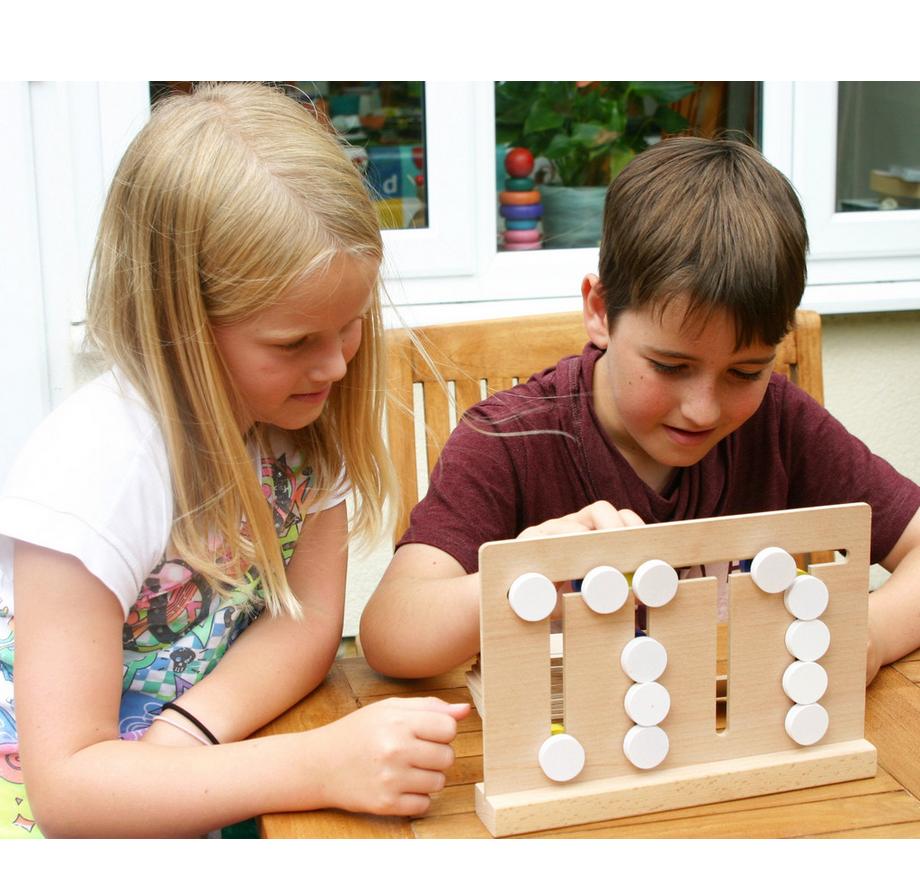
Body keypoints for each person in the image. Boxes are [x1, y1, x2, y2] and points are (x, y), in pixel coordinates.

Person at [0, 83, 468, 839]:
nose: (336, 368)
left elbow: (308, 619)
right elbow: (67, 790)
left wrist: (190, 730)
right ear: (177, 318)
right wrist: (319, 764)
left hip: (202, 778)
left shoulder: (297, 420)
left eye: (350, 328)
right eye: (294, 343)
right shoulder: (93, 471)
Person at [360, 136, 920, 686]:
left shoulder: (780, 422)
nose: (702, 410)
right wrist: (525, 570)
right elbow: (391, 633)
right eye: (671, 366)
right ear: (601, 311)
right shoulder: (509, 439)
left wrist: (869, 631)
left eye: (745, 372)